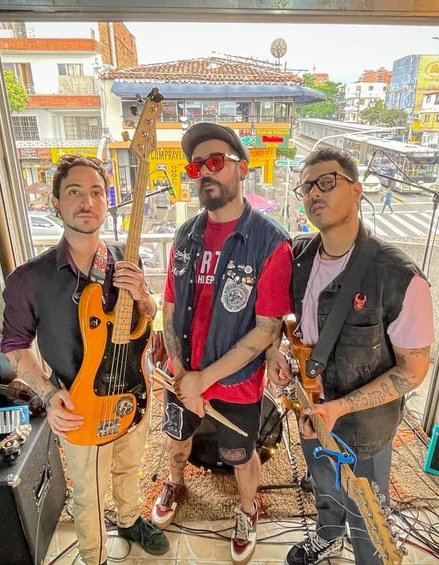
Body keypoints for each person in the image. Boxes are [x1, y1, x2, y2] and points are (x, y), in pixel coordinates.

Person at [0, 155, 169, 565]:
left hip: (133, 390)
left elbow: (148, 317)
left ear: (107, 202)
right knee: (89, 492)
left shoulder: (126, 259)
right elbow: (16, 347)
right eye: (74, 192)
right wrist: (47, 394)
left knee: (129, 467)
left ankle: (129, 520)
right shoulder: (31, 278)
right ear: (56, 203)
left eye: (96, 192)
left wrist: (143, 295)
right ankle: (94, 556)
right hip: (80, 403)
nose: (87, 202)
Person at [268, 147, 434, 565]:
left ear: (357, 191)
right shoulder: (299, 257)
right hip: (310, 405)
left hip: (364, 425)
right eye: (306, 186)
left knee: (368, 512)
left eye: (327, 182)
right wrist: (278, 353)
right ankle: (328, 535)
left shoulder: (398, 277)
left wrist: (340, 407)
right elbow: (292, 322)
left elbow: (414, 370)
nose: (314, 193)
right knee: (324, 483)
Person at [153, 123, 293, 565]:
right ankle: (174, 482)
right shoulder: (185, 235)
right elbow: (170, 307)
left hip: (236, 384)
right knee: (176, 441)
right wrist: (182, 374)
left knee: (240, 454)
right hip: (181, 375)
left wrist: (204, 380)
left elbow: (266, 329)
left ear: (242, 168)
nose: (204, 173)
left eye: (215, 161)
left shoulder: (272, 243)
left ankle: (248, 509)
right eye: (196, 166)